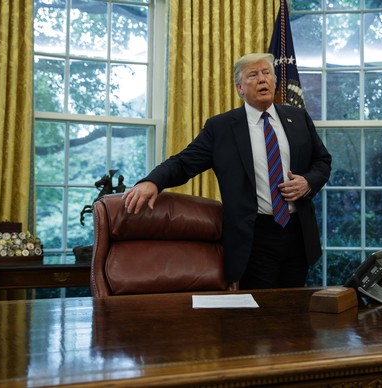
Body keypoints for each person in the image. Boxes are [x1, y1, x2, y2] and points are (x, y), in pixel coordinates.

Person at [122, 53, 331, 289]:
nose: (262, 79)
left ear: (274, 81)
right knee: (262, 315)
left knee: (294, 311)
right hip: (254, 237)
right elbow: (183, 163)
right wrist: (152, 182)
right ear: (240, 87)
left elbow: (322, 162)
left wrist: (307, 182)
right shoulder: (220, 128)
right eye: (253, 75)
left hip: (298, 234)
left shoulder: (298, 117)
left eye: (266, 73)